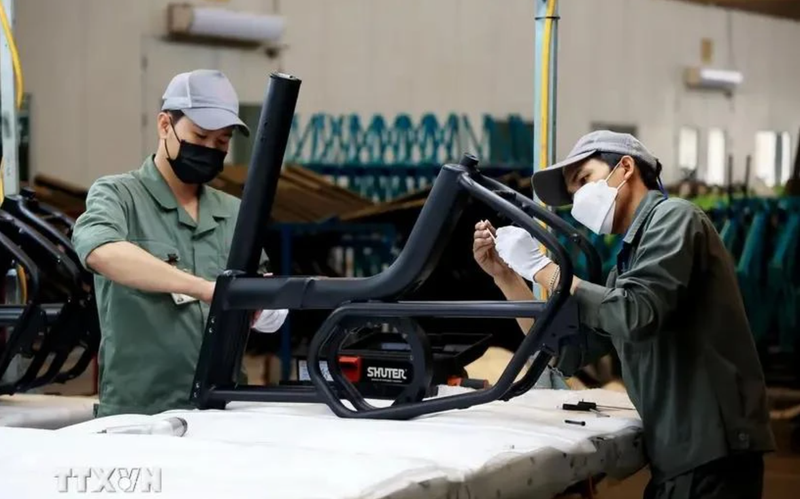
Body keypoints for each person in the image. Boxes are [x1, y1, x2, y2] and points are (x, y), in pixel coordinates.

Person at [473, 130, 775, 499]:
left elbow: (634, 314)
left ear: (625, 167)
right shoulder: (627, 266)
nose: (580, 198)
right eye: (573, 194)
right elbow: (567, 351)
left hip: (711, 450)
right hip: (679, 454)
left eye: (584, 180)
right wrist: (507, 277)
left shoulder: (676, 219)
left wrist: (545, 270)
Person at [72, 69, 288, 418]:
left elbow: (262, 295)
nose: (209, 149)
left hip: (222, 410)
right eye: (200, 135)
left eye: (221, 141)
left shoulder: (234, 213)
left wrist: (267, 306)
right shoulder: (119, 195)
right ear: (164, 125)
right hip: (139, 414)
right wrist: (205, 288)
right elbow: (102, 251)